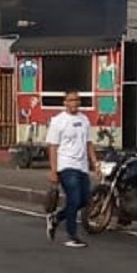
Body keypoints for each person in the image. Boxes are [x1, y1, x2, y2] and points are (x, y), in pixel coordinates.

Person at [46, 91, 101, 247]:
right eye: (71, 100)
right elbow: (53, 147)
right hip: (66, 165)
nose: (75, 103)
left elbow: (89, 143)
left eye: (77, 100)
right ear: (65, 102)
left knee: (84, 200)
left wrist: (95, 163)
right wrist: (53, 170)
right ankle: (72, 235)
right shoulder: (58, 121)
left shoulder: (84, 119)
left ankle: (56, 218)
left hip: (82, 166)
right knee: (74, 198)